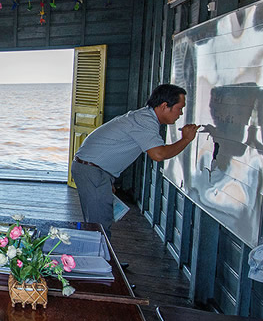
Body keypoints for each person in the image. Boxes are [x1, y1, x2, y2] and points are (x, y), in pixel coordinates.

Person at [72, 84, 198, 237]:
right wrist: (186, 140)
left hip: (95, 170)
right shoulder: (145, 121)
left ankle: (100, 258)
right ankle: (97, 260)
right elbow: (158, 154)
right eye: (179, 108)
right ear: (165, 106)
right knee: (98, 228)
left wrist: (107, 179)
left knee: (97, 224)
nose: (181, 113)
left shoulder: (143, 117)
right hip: (93, 171)